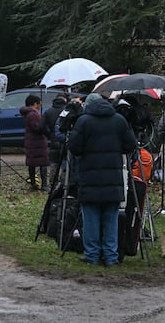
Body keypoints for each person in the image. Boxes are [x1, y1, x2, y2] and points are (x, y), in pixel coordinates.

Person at [68, 93, 137, 266]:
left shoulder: (83, 121)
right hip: (113, 178)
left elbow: (74, 148)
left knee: (91, 219)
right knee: (111, 220)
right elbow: (130, 145)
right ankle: (111, 256)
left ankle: (92, 255)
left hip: (90, 177)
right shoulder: (119, 120)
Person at [21, 94, 49, 192]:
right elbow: (37, 128)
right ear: (34, 104)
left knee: (32, 163)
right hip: (37, 143)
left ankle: (34, 183)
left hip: (32, 142)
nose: (40, 105)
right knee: (42, 163)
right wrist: (44, 126)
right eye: (39, 103)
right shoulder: (33, 114)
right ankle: (44, 184)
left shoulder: (29, 114)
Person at [42, 93, 68, 184]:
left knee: (54, 163)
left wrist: (49, 134)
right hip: (64, 139)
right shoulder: (66, 112)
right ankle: (64, 182)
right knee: (65, 162)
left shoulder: (48, 111)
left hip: (53, 140)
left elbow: (42, 126)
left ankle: (52, 182)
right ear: (65, 100)